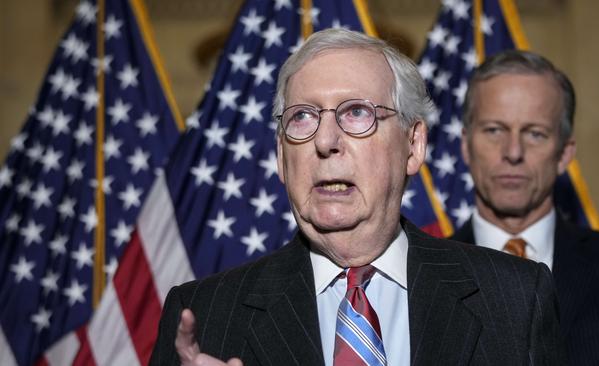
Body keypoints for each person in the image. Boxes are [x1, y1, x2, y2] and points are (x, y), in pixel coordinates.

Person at [149, 29, 566, 366]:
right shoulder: (204, 315)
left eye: (356, 113)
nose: (326, 141)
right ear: (281, 156)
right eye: (303, 117)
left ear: (413, 144)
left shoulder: (514, 299)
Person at [451, 49, 599, 365]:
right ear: (465, 144)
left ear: (565, 154)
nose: (513, 152)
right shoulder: (415, 275)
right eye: (494, 130)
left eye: (535, 133)